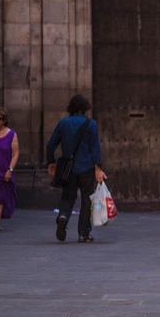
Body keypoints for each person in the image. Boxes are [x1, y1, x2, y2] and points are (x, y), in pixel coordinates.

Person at [46, 95, 106, 243]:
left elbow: (50, 145)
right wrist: (98, 168)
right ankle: (83, 233)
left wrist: (51, 162)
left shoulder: (63, 123)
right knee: (87, 199)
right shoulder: (91, 124)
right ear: (84, 108)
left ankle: (63, 216)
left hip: (68, 169)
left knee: (67, 196)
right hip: (86, 168)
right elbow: (95, 149)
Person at [0, 107, 19, 232]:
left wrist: (10, 169)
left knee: (0, 197)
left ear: (4, 120)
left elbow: (15, 154)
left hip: (3, 172)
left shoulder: (12, 135)